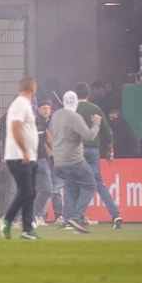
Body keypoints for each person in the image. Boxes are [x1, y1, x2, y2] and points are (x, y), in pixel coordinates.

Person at [50, 91, 101, 234]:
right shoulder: (75, 117)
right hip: (74, 160)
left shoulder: (56, 115)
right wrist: (96, 122)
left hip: (58, 162)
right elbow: (89, 136)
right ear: (76, 102)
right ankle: (77, 217)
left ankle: (67, 221)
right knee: (90, 185)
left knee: (71, 190)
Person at [0, 77, 42, 240]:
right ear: (33, 87)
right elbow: (15, 128)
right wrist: (24, 151)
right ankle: (8, 220)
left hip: (28, 156)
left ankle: (27, 229)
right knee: (26, 191)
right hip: (19, 156)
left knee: (30, 193)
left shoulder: (24, 104)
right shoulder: (21, 104)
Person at [75, 82, 122, 229]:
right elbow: (108, 132)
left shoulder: (72, 110)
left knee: (75, 184)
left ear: (75, 95)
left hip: (76, 151)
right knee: (99, 184)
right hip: (93, 151)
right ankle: (115, 215)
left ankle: (76, 217)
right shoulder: (96, 109)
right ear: (88, 94)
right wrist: (111, 151)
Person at [33, 99, 53, 227]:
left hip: (42, 160)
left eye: (48, 108)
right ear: (38, 109)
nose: (46, 110)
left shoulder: (44, 123)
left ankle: (33, 215)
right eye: (44, 108)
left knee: (48, 189)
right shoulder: (34, 121)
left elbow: (47, 140)